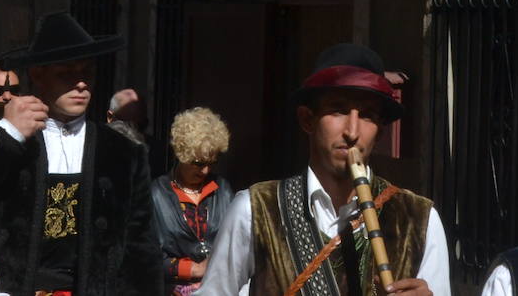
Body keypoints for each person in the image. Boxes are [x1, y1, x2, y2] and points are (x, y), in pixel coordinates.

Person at [198, 43, 450, 296]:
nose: (352, 132)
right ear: (307, 120)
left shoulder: (420, 220)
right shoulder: (255, 209)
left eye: (367, 115)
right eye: (338, 110)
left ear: (379, 132)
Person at [0, 12, 163, 296]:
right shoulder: (0, 137)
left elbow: (142, 249)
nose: (81, 83)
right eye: (67, 74)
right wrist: (6, 136)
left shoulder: (123, 152)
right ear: (38, 75)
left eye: (87, 72)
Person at [151, 108, 234, 295]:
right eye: (198, 163)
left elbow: (237, 244)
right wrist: (194, 269)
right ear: (181, 154)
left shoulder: (223, 190)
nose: (205, 171)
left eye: (211, 162)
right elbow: (145, 256)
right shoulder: (156, 194)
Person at [107, 89, 169, 179]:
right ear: (110, 117)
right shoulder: (93, 147)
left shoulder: (156, 153)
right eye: (127, 125)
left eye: (140, 126)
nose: (133, 134)